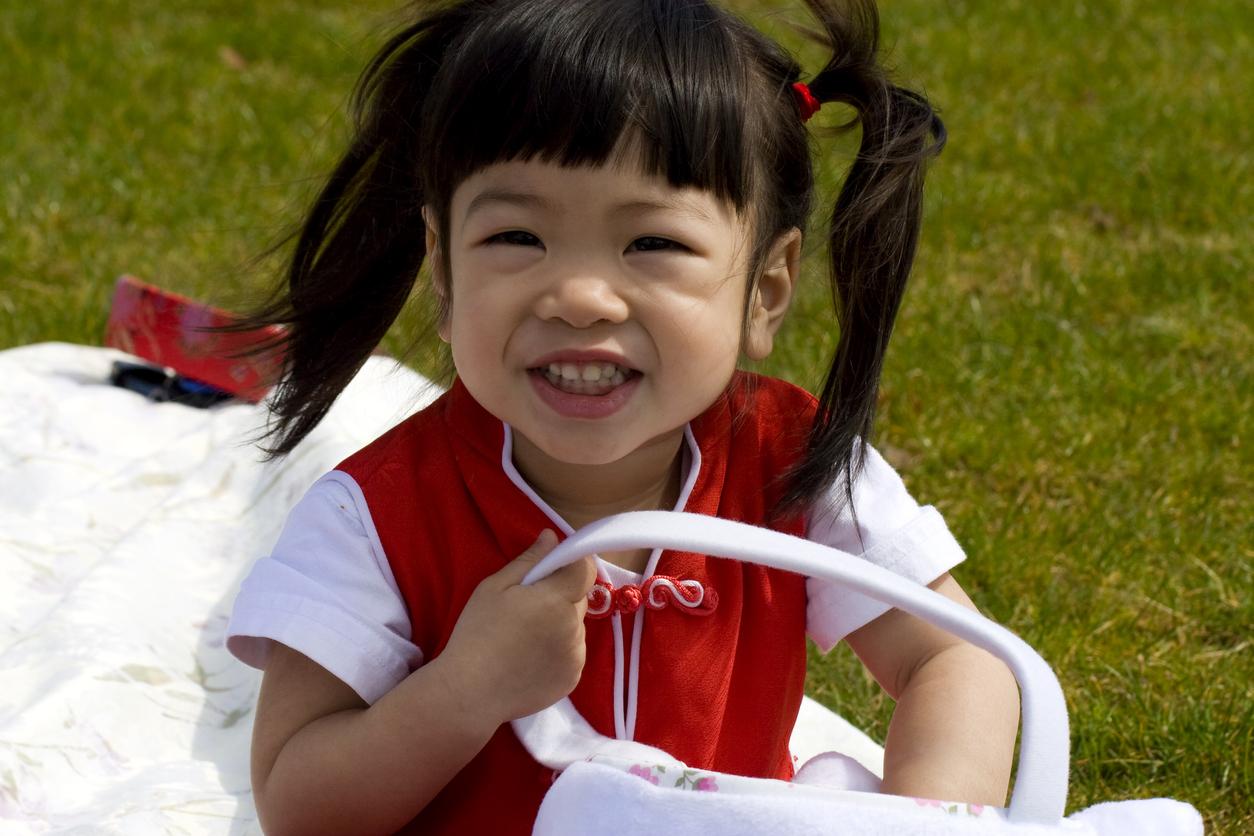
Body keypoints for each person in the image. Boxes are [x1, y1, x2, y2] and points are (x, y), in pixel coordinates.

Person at [225, 0, 1020, 833]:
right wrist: (463, 691)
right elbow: (297, 804)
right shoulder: (377, 517)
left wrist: (931, 820)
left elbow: (960, 659)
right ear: (445, 273)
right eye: (517, 237)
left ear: (766, 289)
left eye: (652, 245)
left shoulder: (792, 461)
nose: (578, 298)